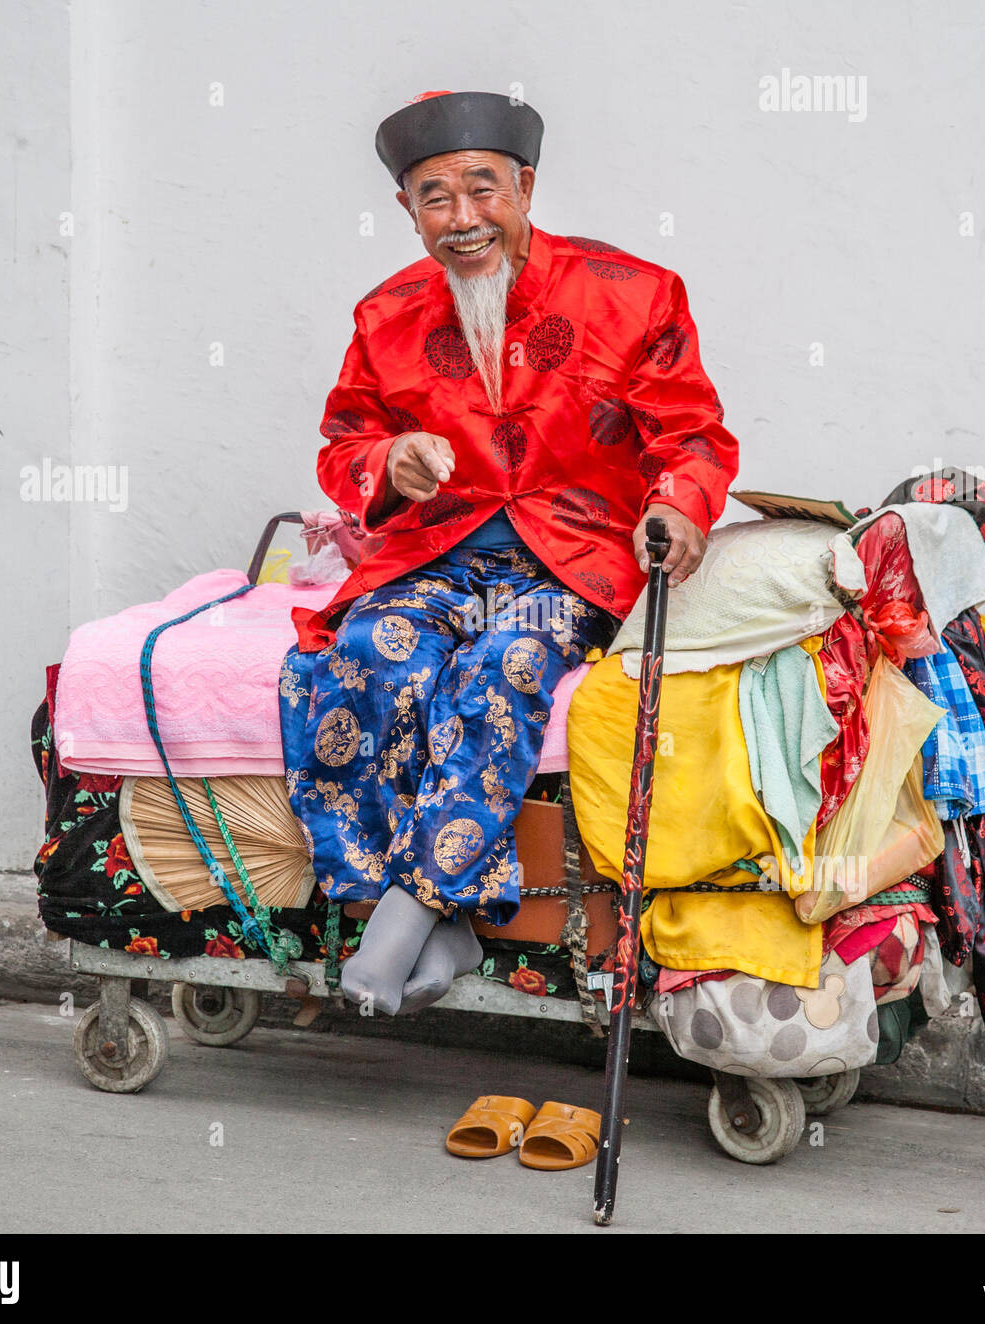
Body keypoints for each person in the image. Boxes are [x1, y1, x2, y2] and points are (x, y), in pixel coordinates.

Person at [280, 89, 739, 1014]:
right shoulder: (387, 314)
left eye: (482, 190)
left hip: (572, 556)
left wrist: (680, 508)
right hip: (432, 551)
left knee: (505, 665)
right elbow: (344, 443)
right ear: (406, 211)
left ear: (525, 188)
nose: (463, 220)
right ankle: (440, 920)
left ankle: (404, 918)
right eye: (434, 198)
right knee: (365, 654)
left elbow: (690, 434)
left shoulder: (634, 292)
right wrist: (386, 462)